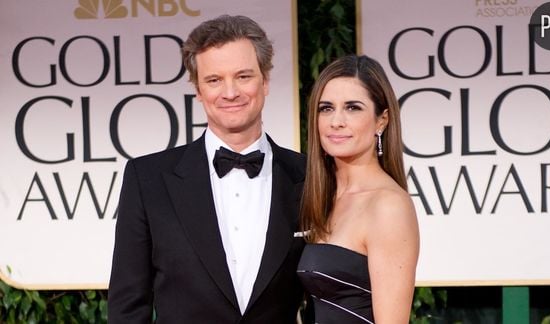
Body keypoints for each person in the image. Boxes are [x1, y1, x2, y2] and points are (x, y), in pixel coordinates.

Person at [108, 15, 306, 323]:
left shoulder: (310, 177)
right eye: (214, 80)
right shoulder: (147, 179)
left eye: (243, 76)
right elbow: (128, 307)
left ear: (265, 80)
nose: (230, 93)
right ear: (198, 89)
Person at [297, 55, 420, 323]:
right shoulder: (319, 197)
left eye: (353, 108)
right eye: (326, 108)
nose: (336, 121)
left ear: (381, 121)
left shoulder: (388, 206)